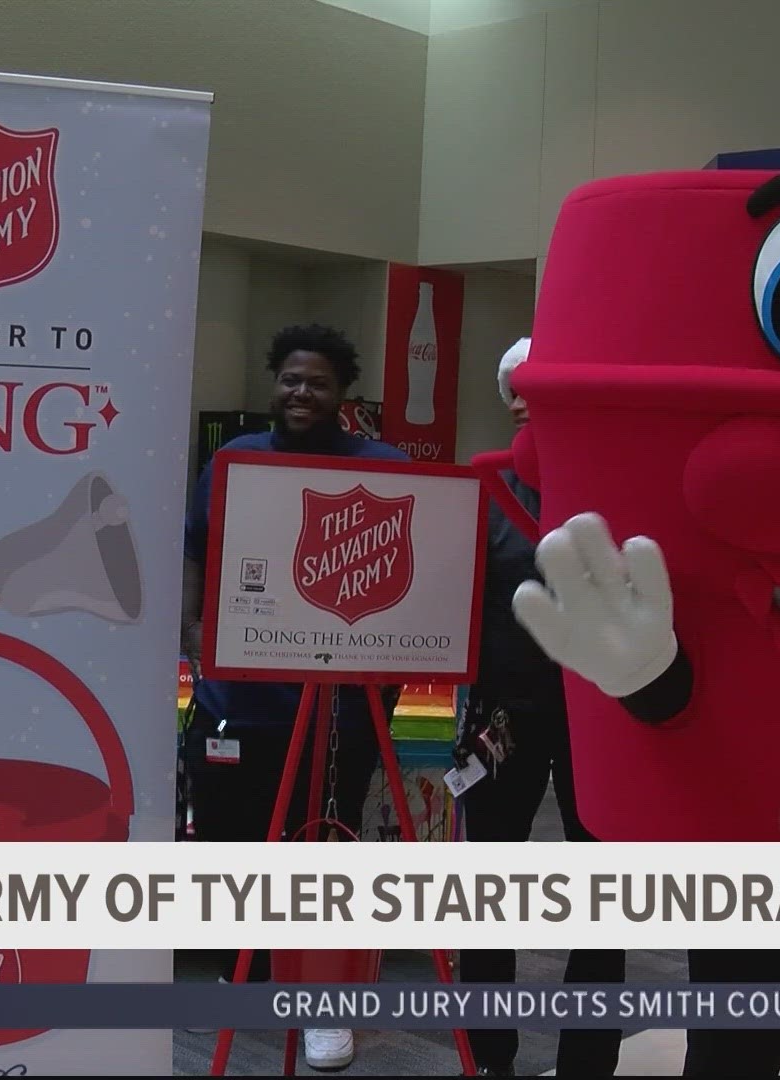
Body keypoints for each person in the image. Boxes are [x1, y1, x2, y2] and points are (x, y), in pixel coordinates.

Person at [180, 323, 408, 1073]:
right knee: (228, 844)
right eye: (290, 379)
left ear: (344, 391)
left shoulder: (386, 468)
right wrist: (191, 628)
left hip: (339, 711)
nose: (300, 392)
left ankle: (323, 1007)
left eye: (316, 382)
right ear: (273, 381)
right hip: (237, 700)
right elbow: (195, 548)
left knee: (324, 859)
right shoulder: (235, 460)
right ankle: (242, 979)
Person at [455, 338, 625, 1078]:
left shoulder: (615, 484)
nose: (531, 399)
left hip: (601, 715)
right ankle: (486, 1054)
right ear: (510, 401)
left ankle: (588, 1059)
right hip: (505, 714)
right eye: (518, 388)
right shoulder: (481, 495)